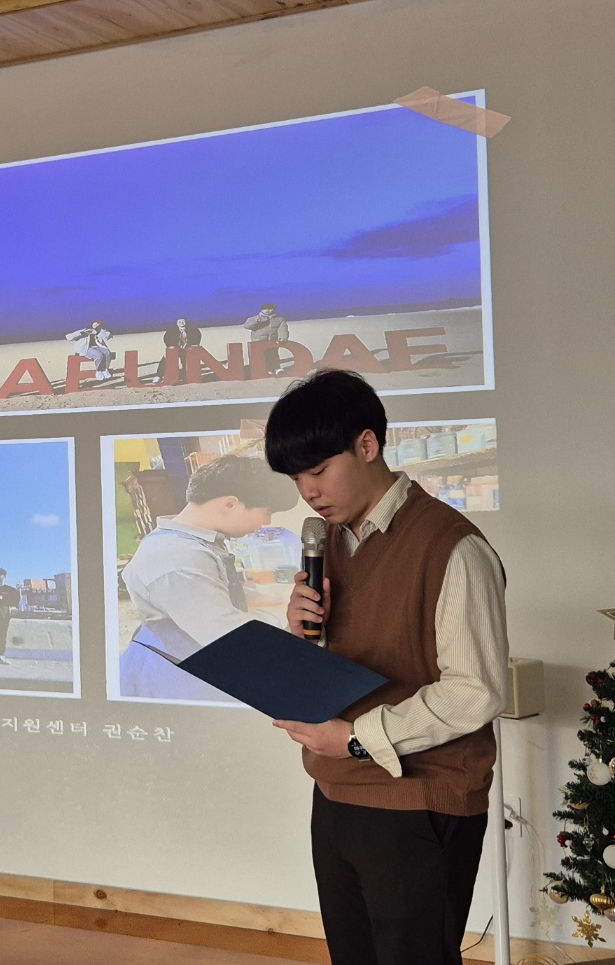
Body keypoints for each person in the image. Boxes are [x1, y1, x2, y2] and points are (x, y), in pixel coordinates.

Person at [265, 369, 508, 965]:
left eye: (318, 470)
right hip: (337, 789)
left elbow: (475, 692)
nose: (309, 492)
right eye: (296, 479)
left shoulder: (452, 546)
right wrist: (302, 634)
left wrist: (355, 739)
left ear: (368, 444)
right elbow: (353, 661)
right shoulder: (330, 544)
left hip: (419, 800)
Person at [118, 456, 297, 700]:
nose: (266, 522)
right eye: (267, 513)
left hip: (187, 665)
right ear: (230, 504)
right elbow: (230, 640)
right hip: (174, 680)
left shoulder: (190, 542)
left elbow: (212, 590)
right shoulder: (178, 559)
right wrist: (286, 615)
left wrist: (273, 599)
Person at [243, 302, 290, 376]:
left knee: (273, 354)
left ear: (274, 309)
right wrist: (257, 321)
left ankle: (277, 369)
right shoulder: (255, 318)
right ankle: (265, 370)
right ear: (261, 309)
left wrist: (283, 338)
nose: (267, 310)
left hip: (272, 340)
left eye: (270, 309)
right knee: (261, 356)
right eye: (265, 309)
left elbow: (283, 329)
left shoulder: (279, 319)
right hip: (258, 341)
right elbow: (246, 326)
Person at [157, 317, 202, 381]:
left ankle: (186, 376)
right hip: (175, 348)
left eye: (183, 321)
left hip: (186, 348)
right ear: (176, 323)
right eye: (179, 322)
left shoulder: (193, 329)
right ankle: (159, 375)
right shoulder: (171, 330)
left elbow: (197, 336)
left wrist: (194, 344)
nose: (181, 323)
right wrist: (170, 346)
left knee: (186, 361)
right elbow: (166, 338)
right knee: (165, 359)